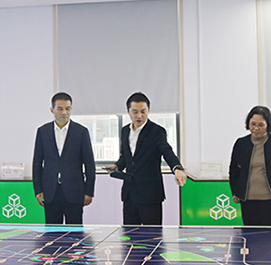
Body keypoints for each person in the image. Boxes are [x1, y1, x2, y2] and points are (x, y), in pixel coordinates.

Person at [105, 92, 186, 225]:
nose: (139, 116)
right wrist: (117, 166)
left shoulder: (157, 131)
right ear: (128, 111)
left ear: (148, 110)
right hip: (129, 194)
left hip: (150, 194)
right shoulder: (125, 131)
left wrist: (177, 168)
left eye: (143, 111)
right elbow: (126, 157)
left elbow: (166, 151)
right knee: (129, 234)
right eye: (135, 112)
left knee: (152, 234)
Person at [33, 92, 96, 224]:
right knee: (52, 232)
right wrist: (38, 190)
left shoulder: (81, 132)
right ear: (52, 110)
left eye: (67, 108)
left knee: (75, 232)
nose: (64, 112)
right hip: (50, 191)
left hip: (75, 191)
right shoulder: (43, 131)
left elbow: (89, 164)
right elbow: (37, 163)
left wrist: (89, 191)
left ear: (71, 109)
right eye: (60, 109)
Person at [229, 106, 271, 226]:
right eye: (253, 124)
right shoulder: (241, 144)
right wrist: (235, 192)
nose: (256, 128)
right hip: (248, 201)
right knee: (251, 235)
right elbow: (234, 170)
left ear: (268, 125)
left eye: (261, 125)